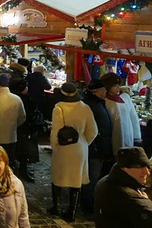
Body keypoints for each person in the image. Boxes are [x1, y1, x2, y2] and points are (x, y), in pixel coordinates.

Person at [49, 82, 98, 222]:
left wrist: (55, 146)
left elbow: (55, 131)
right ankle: (72, 212)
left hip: (63, 148)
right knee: (76, 181)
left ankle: (56, 207)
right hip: (80, 148)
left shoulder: (59, 108)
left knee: (58, 177)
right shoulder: (85, 107)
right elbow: (93, 131)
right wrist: (83, 142)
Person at [94, 147, 152, 227]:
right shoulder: (126, 194)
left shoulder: (106, 180)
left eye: (147, 166)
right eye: (139, 166)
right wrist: (147, 201)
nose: (147, 172)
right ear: (124, 168)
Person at [81, 79, 114, 213]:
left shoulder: (98, 103)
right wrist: (93, 144)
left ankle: (91, 203)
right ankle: (88, 205)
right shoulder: (91, 105)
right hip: (95, 148)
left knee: (95, 176)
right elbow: (91, 129)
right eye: (103, 89)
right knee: (91, 177)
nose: (106, 91)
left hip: (100, 146)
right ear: (97, 91)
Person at [9, 78, 43, 183]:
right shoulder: (25, 100)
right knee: (23, 151)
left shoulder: (13, 98)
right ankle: (22, 171)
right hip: (24, 129)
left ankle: (20, 170)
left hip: (16, 128)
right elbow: (27, 115)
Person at [100, 73, 141, 156]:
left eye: (118, 85)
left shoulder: (124, 98)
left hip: (128, 136)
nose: (118, 87)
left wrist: (137, 136)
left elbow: (133, 117)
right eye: (115, 85)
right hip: (113, 141)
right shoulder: (105, 102)